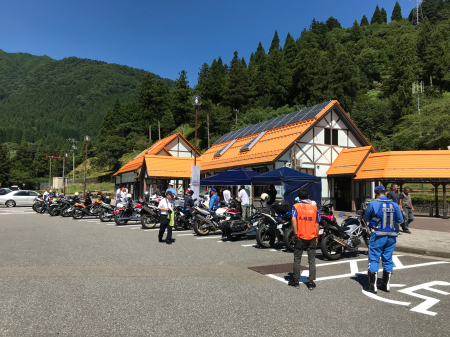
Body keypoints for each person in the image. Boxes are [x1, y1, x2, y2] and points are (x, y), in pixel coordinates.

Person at [363, 186, 403, 294]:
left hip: (378, 235)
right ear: (385, 193)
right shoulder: (394, 204)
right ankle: (386, 285)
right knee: (388, 258)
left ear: (375, 193)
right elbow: (400, 219)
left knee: (374, 258)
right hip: (391, 235)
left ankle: (373, 286)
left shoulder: (372, 204)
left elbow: (366, 218)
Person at [289, 188, 320, 290]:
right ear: (308, 196)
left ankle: (296, 281)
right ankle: (311, 283)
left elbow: (293, 219)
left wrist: (295, 233)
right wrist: (316, 236)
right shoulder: (314, 208)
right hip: (311, 236)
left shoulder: (296, 207)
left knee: (297, 258)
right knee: (312, 259)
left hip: (300, 236)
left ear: (299, 197)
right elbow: (317, 223)